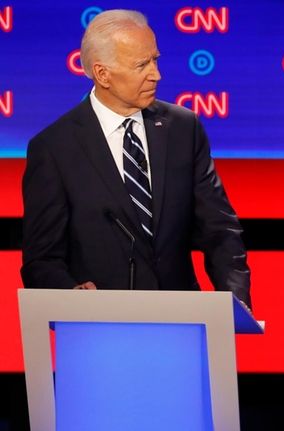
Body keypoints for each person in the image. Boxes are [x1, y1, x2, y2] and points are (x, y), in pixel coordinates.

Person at [21, 9, 251, 307]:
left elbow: (219, 230)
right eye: (142, 64)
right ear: (103, 73)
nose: (157, 74)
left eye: (155, 59)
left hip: (180, 321)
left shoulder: (184, 129)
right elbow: (41, 260)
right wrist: (71, 295)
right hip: (98, 329)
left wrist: (234, 304)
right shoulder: (54, 148)